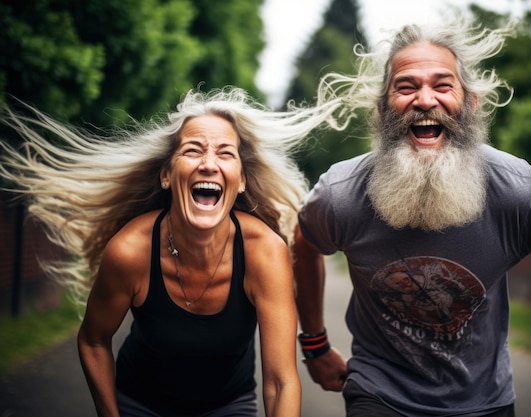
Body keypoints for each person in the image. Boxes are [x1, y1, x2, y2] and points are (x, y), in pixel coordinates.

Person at [292, 17, 531, 417]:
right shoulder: (341, 194)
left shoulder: (515, 190)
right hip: (378, 393)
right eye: (406, 86)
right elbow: (305, 245)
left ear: (470, 104)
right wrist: (314, 346)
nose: (425, 99)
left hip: (485, 402)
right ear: (382, 111)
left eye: (442, 84)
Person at [0, 87, 344, 417]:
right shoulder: (130, 250)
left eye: (225, 153)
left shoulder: (265, 252)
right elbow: (93, 341)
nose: (209, 163)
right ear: (166, 175)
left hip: (228, 405)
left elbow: (280, 382)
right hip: (140, 403)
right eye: (193, 150)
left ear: (240, 181)